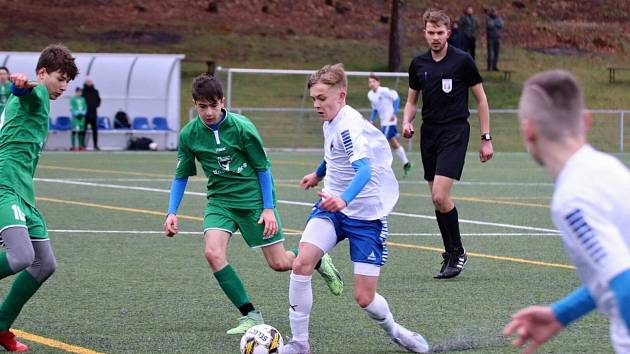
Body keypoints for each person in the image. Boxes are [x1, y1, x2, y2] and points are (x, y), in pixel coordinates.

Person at [163, 73, 343, 335]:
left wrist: (268, 208)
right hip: (220, 202)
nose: (209, 112)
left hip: (253, 201)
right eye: (203, 107)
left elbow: (263, 169)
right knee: (212, 253)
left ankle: (316, 259)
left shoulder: (242, 127)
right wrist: (172, 212)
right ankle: (250, 314)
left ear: (223, 101)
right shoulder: (190, 134)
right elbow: (181, 176)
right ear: (195, 104)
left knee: (279, 263)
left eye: (214, 105)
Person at [283, 64, 429, 354]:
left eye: (322, 98)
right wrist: (318, 174)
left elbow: (362, 171)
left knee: (364, 298)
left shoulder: (349, 127)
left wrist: (345, 199)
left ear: (341, 95)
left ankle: (396, 331)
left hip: (366, 217)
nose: (316, 105)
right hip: (333, 208)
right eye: (313, 98)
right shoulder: (332, 121)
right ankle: (299, 343)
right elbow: (333, 152)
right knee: (301, 264)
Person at [502, 70, 630, 353]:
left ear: (528, 130)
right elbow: (614, 273)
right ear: (585, 120)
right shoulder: (608, 168)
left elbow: (626, 287)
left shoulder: (573, 198)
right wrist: (562, 313)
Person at [402, 9, 493, 279]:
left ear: (448, 33)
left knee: (440, 195)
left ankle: (457, 252)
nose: (435, 37)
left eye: (440, 32)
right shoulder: (418, 64)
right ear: (425, 33)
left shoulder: (462, 61)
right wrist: (407, 122)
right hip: (429, 133)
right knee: (437, 199)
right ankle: (452, 252)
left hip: (455, 131)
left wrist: (485, 138)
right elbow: (411, 101)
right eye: (430, 32)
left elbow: (482, 100)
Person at [0, 44, 78, 352]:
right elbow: (30, 95)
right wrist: (22, 88)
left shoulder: (40, 96)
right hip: (4, 183)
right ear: (42, 73)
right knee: (21, 257)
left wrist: (21, 91)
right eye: (60, 77)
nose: (63, 86)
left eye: (68, 81)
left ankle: (1, 325)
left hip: (22, 189)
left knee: (44, 263)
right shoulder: (39, 94)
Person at [367, 74, 412, 176]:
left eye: (374, 81)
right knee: (393, 143)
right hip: (384, 122)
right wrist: (372, 119)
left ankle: (381, 167)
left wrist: (394, 113)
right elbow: (375, 109)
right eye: (370, 82)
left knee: (382, 141)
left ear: (378, 82)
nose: (372, 84)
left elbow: (396, 98)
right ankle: (406, 163)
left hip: (390, 121)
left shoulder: (384, 91)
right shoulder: (370, 95)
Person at [82, 78, 100, 150]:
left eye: (90, 82)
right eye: (88, 82)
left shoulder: (95, 91)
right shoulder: (83, 91)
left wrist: (94, 106)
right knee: (84, 130)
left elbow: (98, 101)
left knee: (95, 130)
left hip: (93, 114)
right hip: (85, 115)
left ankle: (95, 145)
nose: (89, 83)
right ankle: (82, 145)